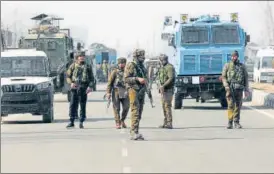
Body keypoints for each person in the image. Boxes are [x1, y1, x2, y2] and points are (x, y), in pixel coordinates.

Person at [66, 51, 94, 129]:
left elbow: (92, 78)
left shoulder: (88, 66)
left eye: (83, 56)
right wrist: (71, 83)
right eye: (80, 56)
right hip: (74, 86)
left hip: (83, 87)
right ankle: (71, 121)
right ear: (77, 57)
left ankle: (81, 121)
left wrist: (90, 87)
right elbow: (68, 76)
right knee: (72, 105)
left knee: (82, 105)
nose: (82, 57)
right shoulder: (72, 66)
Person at [222, 50, 249, 129]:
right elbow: (223, 77)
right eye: (232, 56)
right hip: (230, 89)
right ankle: (230, 122)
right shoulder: (227, 66)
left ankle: (236, 122)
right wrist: (226, 86)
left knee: (238, 105)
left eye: (235, 56)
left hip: (239, 89)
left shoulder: (242, 66)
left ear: (237, 56)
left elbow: (246, 78)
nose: (234, 57)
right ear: (231, 57)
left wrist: (246, 89)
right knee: (230, 105)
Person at [124, 49, 148, 140]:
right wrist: (137, 79)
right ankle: (133, 132)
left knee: (139, 112)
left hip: (141, 91)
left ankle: (136, 131)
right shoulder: (131, 65)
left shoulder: (141, 66)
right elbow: (126, 79)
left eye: (143, 56)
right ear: (136, 57)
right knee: (135, 111)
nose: (143, 58)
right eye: (141, 56)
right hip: (133, 90)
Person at [106, 57, 129, 129]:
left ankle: (122, 120)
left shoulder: (128, 71)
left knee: (126, 107)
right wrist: (108, 92)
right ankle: (118, 122)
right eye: (120, 63)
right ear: (118, 64)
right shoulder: (115, 72)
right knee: (116, 108)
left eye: (123, 63)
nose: (121, 65)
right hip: (116, 91)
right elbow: (110, 83)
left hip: (126, 92)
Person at [157, 54, 176, 129]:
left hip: (168, 89)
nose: (162, 61)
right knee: (163, 107)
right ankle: (165, 122)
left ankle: (169, 123)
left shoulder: (169, 67)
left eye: (163, 60)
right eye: (161, 60)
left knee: (167, 106)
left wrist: (163, 85)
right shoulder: (162, 68)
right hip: (163, 90)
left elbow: (171, 78)